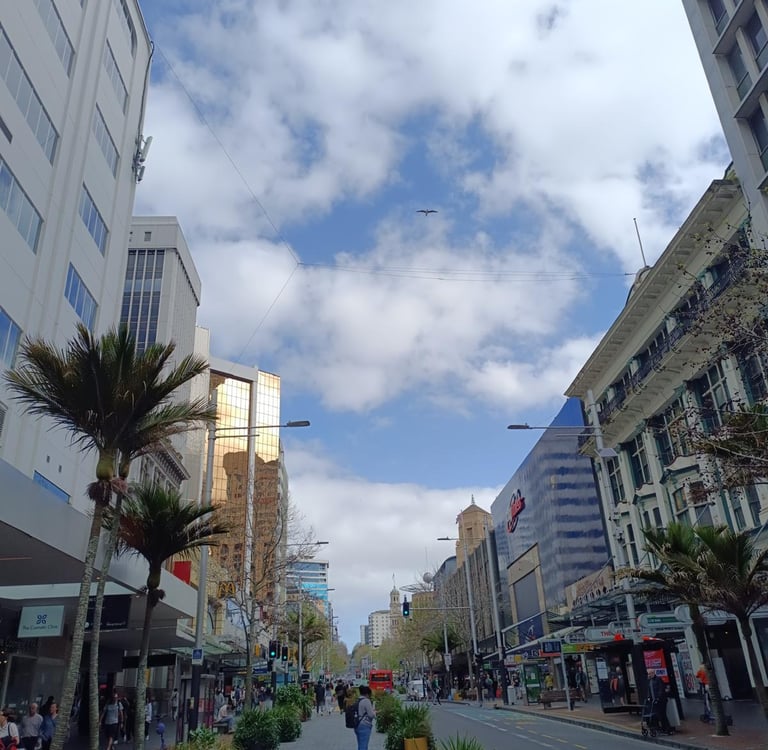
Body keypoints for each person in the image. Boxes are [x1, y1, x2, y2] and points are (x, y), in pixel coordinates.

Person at [647, 670, 672, 735]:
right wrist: (649, 697)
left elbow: (661, 689)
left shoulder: (658, 679)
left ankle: (668, 729)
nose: (649, 675)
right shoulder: (650, 681)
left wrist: (658, 697)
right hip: (654, 701)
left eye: (649, 674)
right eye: (648, 674)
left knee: (663, 715)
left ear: (653, 673)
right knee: (659, 715)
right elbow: (650, 690)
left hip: (661, 701)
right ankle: (663, 728)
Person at [353, 685, 375, 750]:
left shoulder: (358, 700)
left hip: (357, 724)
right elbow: (371, 715)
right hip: (364, 725)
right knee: (363, 745)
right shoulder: (366, 701)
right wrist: (375, 713)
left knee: (360, 744)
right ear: (367, 694)